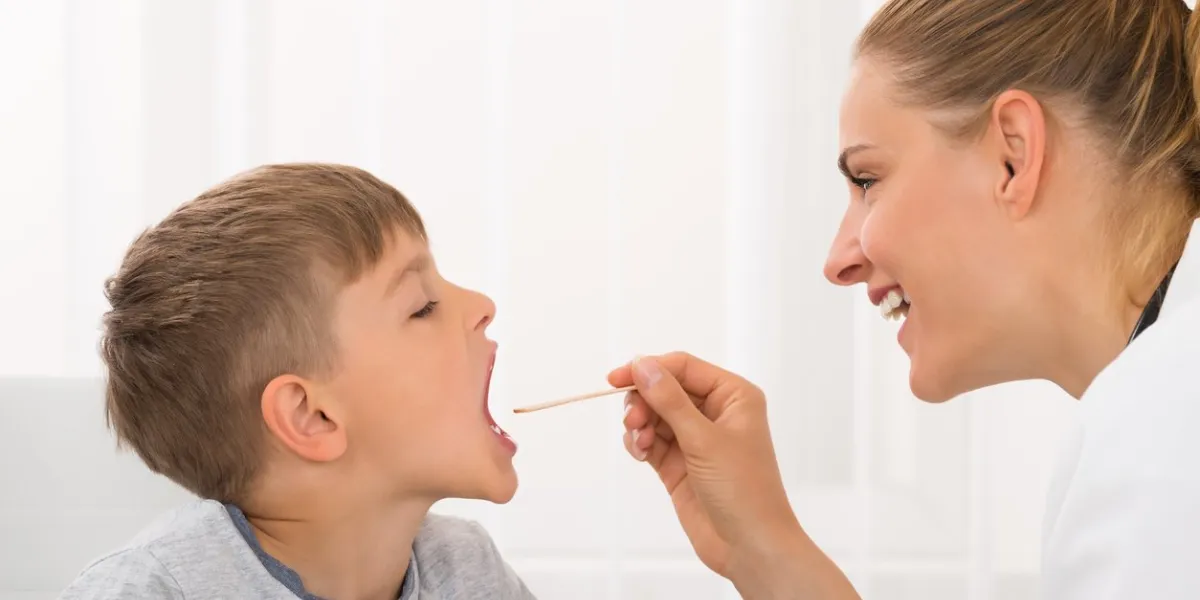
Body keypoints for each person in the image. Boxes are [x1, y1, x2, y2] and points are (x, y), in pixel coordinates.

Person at [614, 0, 1200, 598]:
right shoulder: (1160, 418)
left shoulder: (1162, 432)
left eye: (867, 180)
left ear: (1013, 155)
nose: (837, 261)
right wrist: (761, 550)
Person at [61, 164, 534, 600]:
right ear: (312, 416)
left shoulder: (466, 571)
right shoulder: (149, 592)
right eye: (421, 307)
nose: (482, 304)